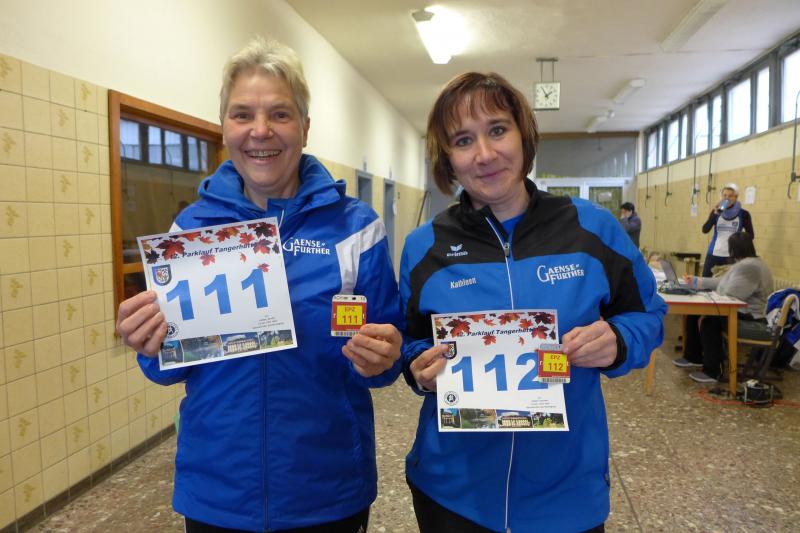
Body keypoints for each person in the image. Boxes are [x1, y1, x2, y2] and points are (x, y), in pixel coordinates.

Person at [116, 37, 403, 532]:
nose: (260, 131)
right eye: (242, 114)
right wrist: (148, 343)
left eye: (280, 114)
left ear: (305, 128)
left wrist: (383, 357)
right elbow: (167, 367)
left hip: (327, 489)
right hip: (219, 490)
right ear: (224, 126)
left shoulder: (356, 228)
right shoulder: (191, 230)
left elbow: (385, 363)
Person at [399, 72, 666, 533]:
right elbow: (411, 340)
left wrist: (619, 340)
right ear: (448, 159)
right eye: (463, 140)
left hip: (566, 495)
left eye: (497, 129)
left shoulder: (592, 229)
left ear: (523, 134)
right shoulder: (425, 247)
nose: (485, 154)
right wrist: (417, 368)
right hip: (453, 495)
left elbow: (650, 314)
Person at [673, 232, 773, 383]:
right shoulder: (747, 263)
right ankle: (694, 357)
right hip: (741, 310)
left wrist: (707, 290)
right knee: (694, 313)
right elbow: (722, 282)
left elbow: (731, 293)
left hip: (750, 316)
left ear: (734, 249)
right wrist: (697, 281)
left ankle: (713, 371)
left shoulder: (750, 267)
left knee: (710, 322)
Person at [701, 183, 754, 276]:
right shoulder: (716, 212)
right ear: (721, 197)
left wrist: (739, 242)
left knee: (730, 282)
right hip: (714, 253)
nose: (727, 198)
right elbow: (705, 230)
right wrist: (715, 214)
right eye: (724, 195)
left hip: (732, 256)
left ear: (736, 197)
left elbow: (751, 235)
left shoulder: (744, 214)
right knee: (706, 281)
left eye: (730, 196)